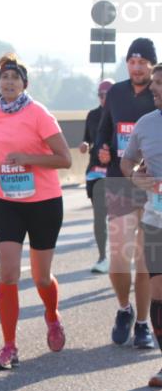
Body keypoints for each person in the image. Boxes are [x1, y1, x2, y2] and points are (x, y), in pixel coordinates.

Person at [0, 54, 72, 369]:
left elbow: (64, 159)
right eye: (5, 78)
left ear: (24, 84)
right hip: (8, 202)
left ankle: (52, 315)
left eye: (15, 78)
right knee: (8, 275)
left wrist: (28, 158)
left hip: (44, 202)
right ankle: (9, 346)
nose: (9, 83)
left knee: (42, 277)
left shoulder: (38, 114)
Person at [98, 37, 158, 350]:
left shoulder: (158, 94)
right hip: (120, 180)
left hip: (150, 185)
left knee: (145, 258)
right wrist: (102, 150)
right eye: (131, 62)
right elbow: (103, 131)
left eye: (142, 62)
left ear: (151, 65)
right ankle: (124, 308)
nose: (136, 67)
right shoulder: (117, 93)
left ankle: (143, 324)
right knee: (119, 256)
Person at [121, 63, 162, 388]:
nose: (155, 90)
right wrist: (135, 176)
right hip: (155, 219)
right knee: (159, 290)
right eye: (154, 86)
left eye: (160, 85)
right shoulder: (146, 124)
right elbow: (127, 160)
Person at [79, 79, 115, 274]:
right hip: (95, 172)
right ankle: (103, 257)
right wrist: (85, 144)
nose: (104, 99)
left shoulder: (121, 113)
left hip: (117, 173)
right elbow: (87, 137)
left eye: (107, 95)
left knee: (119, 219)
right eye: (101, 95)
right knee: (99, 216)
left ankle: (121, 256)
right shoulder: (92, 115)